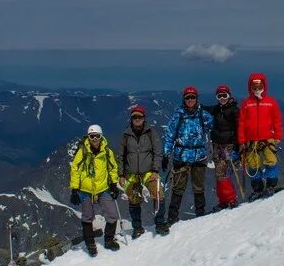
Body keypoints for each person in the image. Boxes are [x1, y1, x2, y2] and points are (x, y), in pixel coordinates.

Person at [162, 86, 214, 223]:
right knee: (178, 188)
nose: (190, 100)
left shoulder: (203, 114)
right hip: (182, 155)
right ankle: (172, 218)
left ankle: (200, 215)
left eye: (192, 97)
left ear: (196, 98)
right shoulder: (178, 115)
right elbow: (170, 135)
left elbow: (214, 128)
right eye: (188, 98)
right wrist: (166, 154)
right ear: (184, 99)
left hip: (199, 155)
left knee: (199, 187)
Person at [69, 124, 121, 256]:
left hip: (103, 189)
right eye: (92, 136)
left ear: (101, 136)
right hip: (85, 190)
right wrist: (75, 189)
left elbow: (113, 168)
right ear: (88, 137)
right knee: (87, 217)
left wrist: (114, 184)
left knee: (113, 215)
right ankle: (90, 244)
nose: (95, 139)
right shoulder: (83, 152)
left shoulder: (107, 152)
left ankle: (108, 240)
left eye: (97, 136)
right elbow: (75, 169)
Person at [118, 104, 168, 237]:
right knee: (133, 200)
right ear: (131, 118)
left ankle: (160, 223)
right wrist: (121, 174)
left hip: (148, 172)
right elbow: (121, 155)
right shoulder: (126, 134)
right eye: (135, 117)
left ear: (144, 118)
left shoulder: (151, 133)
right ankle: (137, 227)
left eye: (139, 116)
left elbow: (158, 152)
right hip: (131, 173)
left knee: (158, 194)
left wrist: (155, 171)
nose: (137, 119)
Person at [238, 73, 284, 200]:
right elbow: (241, 123)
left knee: (271, 161)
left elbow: (277, 120)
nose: (257, 89)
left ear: (264, 85)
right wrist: (242, 140)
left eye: (259, 86)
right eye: (254, 86)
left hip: (268, 138)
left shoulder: (271, 102)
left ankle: (270, 186)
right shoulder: (246, 103)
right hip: (251, 140)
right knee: (253, 165)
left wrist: (278, 135)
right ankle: (258, 189)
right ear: (250, 87)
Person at [203, 84, 240, 211]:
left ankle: (230, 199)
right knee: (219, 172)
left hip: (228, 146)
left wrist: (237, 147)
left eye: (225, 95)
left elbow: (238, 128)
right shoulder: (217, 109)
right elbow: (206, 109)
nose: (222, 98)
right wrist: (195, 105)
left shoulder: (234, 110)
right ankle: (223, 200)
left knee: (221, 171)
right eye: (219, 96)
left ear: (229, 95)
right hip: (217, 145)